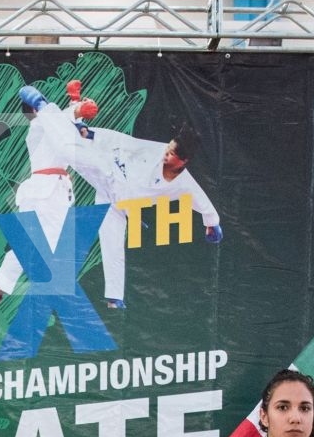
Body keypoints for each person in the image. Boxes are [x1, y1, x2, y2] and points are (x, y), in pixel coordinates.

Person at [69, 122, 221, 308]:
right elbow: (126, 142)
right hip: (110, 175)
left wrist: (212, 223)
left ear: (183, 161)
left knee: (113, 243)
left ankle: (114, 298)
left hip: (119, 204)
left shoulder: (184, 184)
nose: (166, 152)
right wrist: (93, 134)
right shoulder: (154, 151)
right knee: (76, 154)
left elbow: (201, 201)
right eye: (169, 147)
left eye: (172, 153)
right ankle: (50, 117)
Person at [0, 82, 93, 302]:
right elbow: (58, 118)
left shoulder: (54, 128)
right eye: (42, 106)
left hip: (48, 192)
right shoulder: (39, 126)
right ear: (35, 111)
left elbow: (72, 131)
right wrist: (77, 108)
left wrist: (77, 106)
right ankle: (14, 284)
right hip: (46, 193)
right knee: (50, 246)